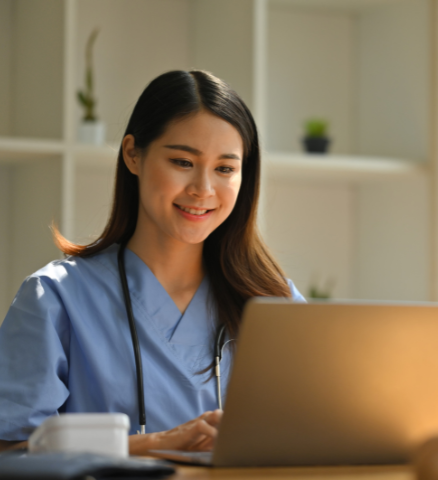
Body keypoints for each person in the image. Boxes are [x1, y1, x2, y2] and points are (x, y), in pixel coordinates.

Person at [0, 70, 304, 454]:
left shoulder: (275, 303)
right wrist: (157, 444)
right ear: (133, 155)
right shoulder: (56, 298)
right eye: (182, 161)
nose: (203, 189)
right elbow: (9, 453)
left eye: (225, 168)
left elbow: (323, 434)